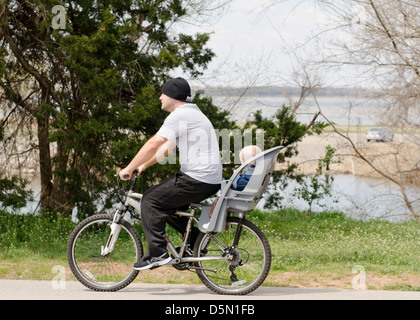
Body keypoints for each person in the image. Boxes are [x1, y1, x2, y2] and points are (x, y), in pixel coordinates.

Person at [119, 77, 222, 271]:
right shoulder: (191, 113)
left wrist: (128, 168)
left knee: (150, 199)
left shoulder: (180, 115)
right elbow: (166, 148)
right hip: (207, 179)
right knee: (168, 206)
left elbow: (153, 144)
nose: (160, 98)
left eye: (162, 94)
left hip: (198, 178)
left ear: (173, 96)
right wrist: (143, 165)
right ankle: (194, 243)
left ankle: (157, 254)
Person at [208, 145, 262, 217]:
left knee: (218, 200)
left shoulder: (250, 170)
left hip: (242, 198)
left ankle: (211, 221)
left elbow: (239, 185)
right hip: (249, 197)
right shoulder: (257, 170)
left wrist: (236, 176)